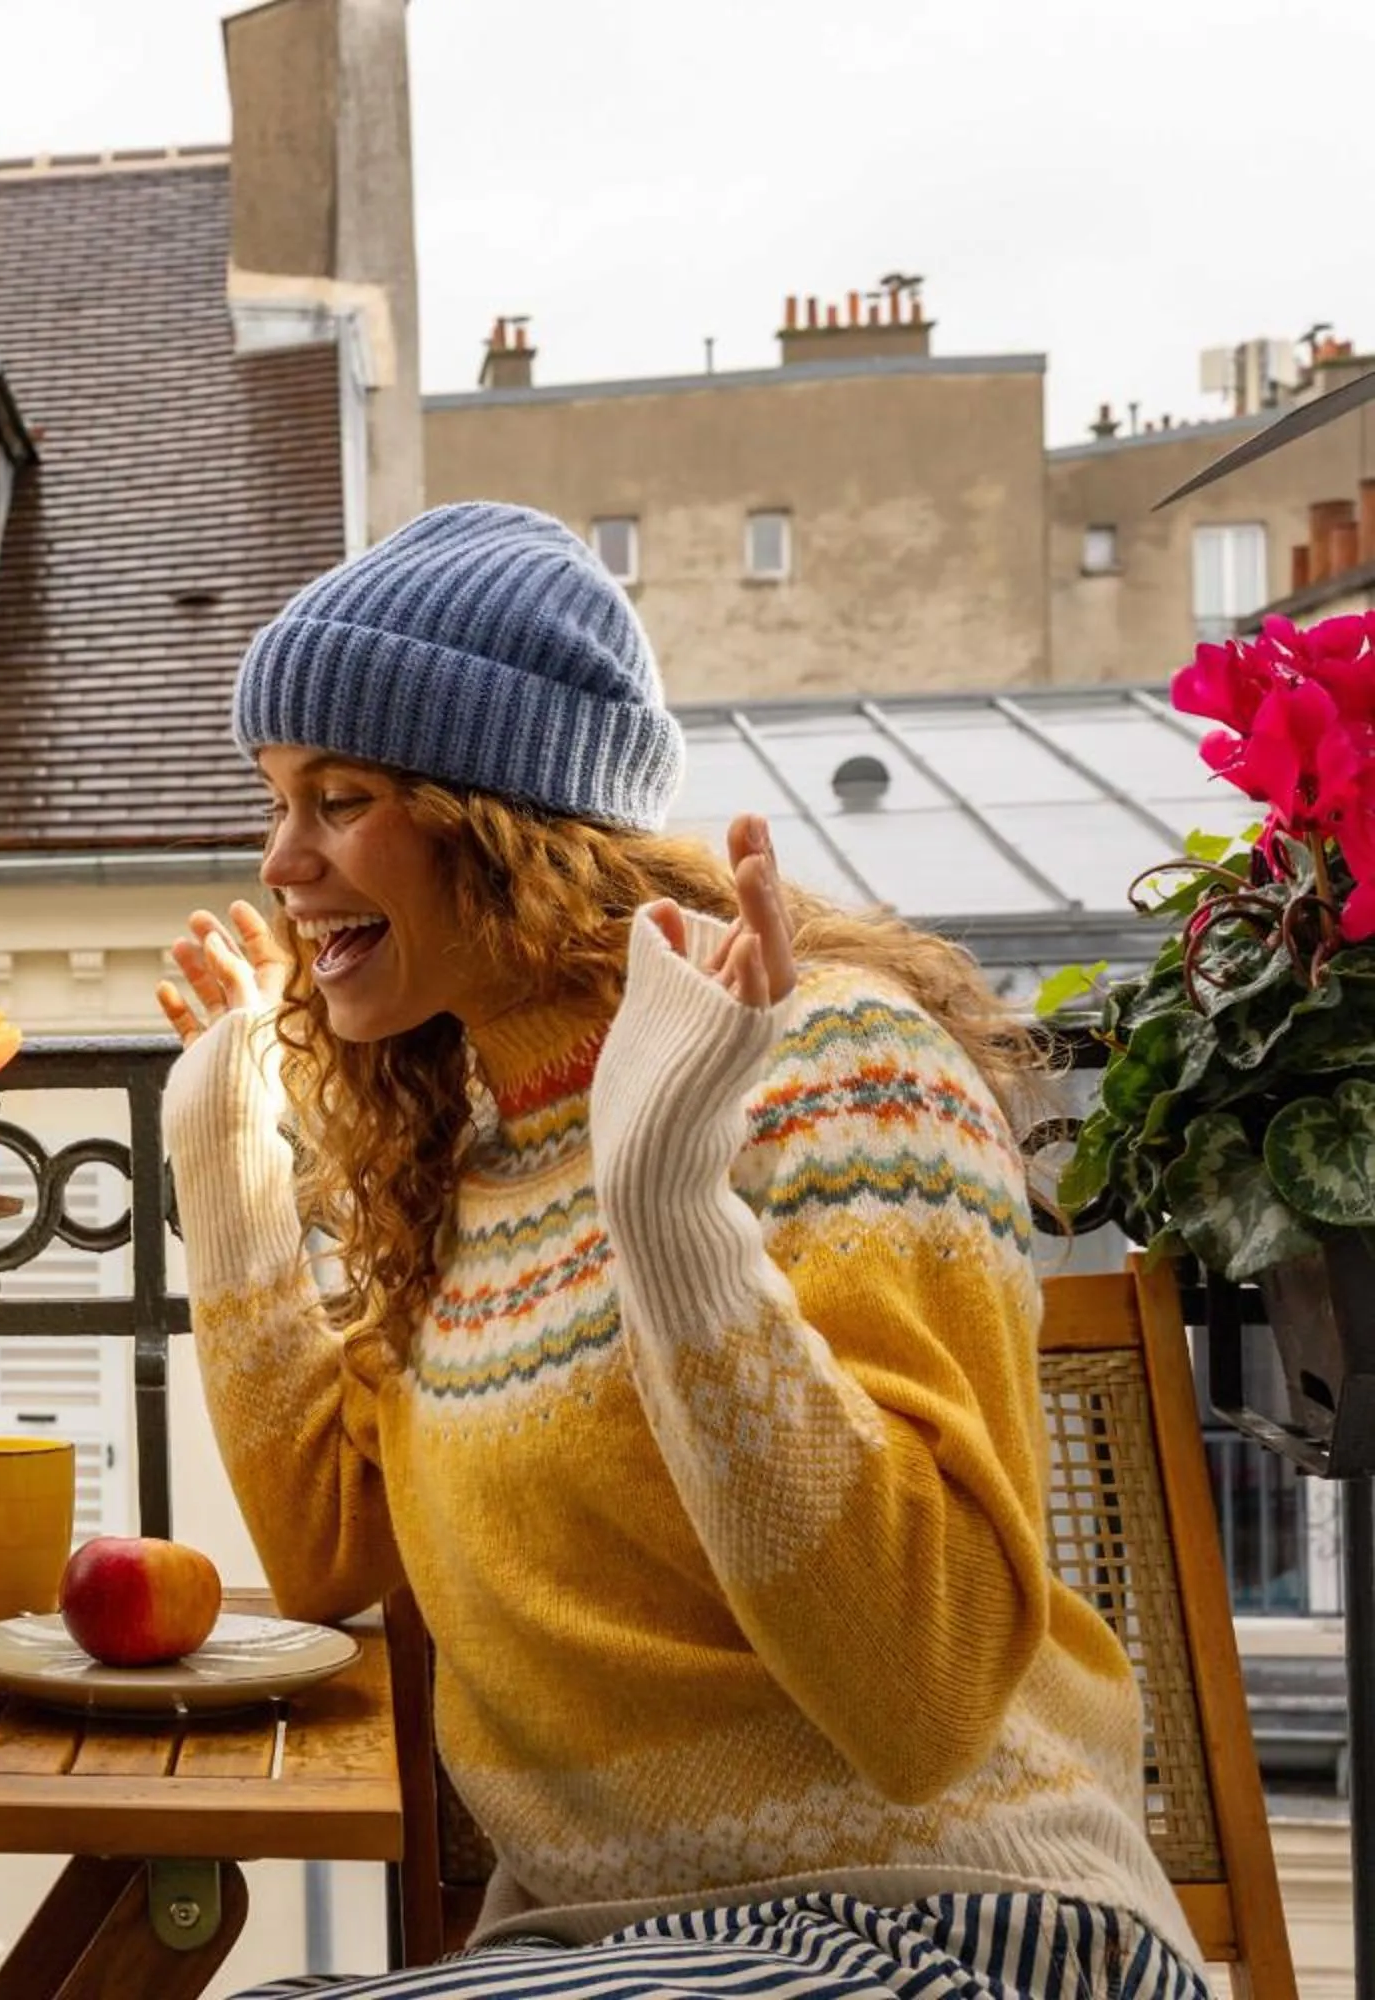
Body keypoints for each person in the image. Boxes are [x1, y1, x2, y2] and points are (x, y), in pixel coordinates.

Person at [152, 502, 1205, 2000]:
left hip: (956, 1930)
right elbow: (325, 1558)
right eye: (275, 800)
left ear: (497, 816)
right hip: (596, 1957)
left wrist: (672, 1221)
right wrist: (229, 1141)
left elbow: (931, 1690)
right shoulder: (465, 1157)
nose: (281, 858)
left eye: (338, 798)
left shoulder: (834, 1067)